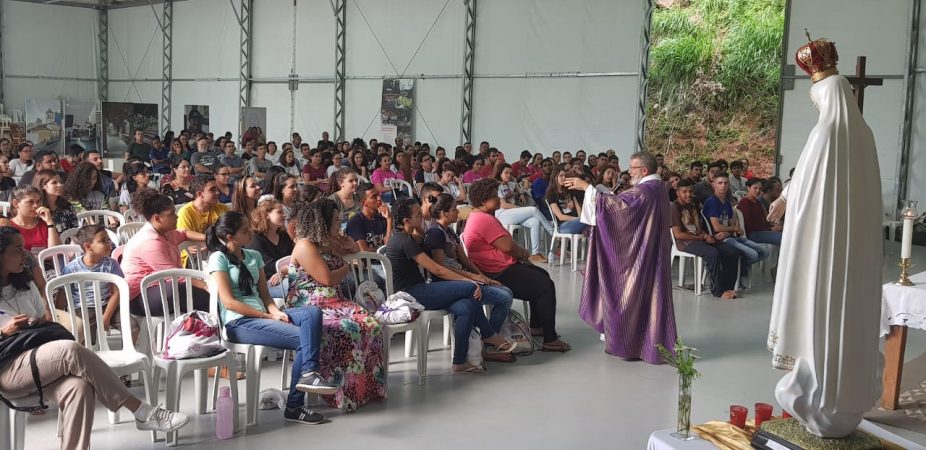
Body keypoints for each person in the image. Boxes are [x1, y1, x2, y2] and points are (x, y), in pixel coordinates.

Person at [766, 39, 882, 436]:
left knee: (819, 316)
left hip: (824, 249)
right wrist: (786, 195)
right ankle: (844, 400)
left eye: (816, 101)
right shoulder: (863, 136)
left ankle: (818, 397)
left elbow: (806, 188)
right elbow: (810, 183)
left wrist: (784, 201)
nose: (816, 108)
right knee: (846, 321)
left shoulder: (824, 134)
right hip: (856, 255)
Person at [0, 228, 189, 450]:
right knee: (70, 349)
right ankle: (141, 411)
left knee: (79, 387)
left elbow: (43, 321)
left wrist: (34, 323)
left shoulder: (25, 285)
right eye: (18, 249)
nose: (26, 255)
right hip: (7, 369)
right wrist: (4, 331)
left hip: (39, 361)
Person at [207, 212, 338, 425]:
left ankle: (309, 372)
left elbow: (265, 295)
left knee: (312, 312)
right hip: (239, 322)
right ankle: (295, 405)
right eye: (245, 231)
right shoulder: (218, 258)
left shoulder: (252, 256)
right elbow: (229, 302)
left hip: (263, 314)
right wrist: (267, 315)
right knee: (303, 339)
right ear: (230, 237)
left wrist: (274, 312)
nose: (250, 233)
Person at [564, 151, 675, 364]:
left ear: (644, 170)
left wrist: (587, 188)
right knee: (650, 297)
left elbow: (615, 209)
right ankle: (648, 343)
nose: (628, 171)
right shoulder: (659, 188)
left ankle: (630, 344)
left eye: (632, 168)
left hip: (641, 255)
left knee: (631, 292)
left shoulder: (644, 191)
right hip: (652, 251)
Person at [386, 198, 517, 374]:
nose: (423, 216)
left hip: (419, 290)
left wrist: (416, 225)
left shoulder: (407, 237)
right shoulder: (404, 241)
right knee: (471, 289)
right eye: (418, 215)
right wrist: (468, 281)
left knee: (467, 306)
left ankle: (459, 362)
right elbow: (436, 269)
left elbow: (420, 234)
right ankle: (490, 335)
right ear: (406, 221)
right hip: (411, 294)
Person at [285, 200, 385, 409]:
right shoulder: (304, 245)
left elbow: (351, 249)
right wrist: (347, 267)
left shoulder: (328, 242)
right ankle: (341, 391)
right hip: (312, 306)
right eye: (335, 221)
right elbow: (328, 279)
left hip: (335, 302)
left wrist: (346, 245)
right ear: (322, 223)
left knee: (372, 324)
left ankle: (364, 389)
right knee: (347, 329)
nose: (339, 225)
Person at [462, 179, 569, 352]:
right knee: (545, 286)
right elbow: (509, 247)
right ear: (483, 202)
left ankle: (536, 326)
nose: (498, 199)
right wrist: (526, 255)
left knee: (542, 276)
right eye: (494, 196)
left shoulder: (480, 216)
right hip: (497, 272)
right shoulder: (483, 219)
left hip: (498, 268)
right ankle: (550, 338)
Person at [424, 193, 515, 362]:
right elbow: (441, 268)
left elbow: (463, 258)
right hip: (449, 281)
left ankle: (488, 337)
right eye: (453, 210)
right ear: (443, 213)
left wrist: (481, 276)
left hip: (462, 276)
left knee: (506, 290)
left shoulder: (448, 230)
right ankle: (489, 341)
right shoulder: (435, 233)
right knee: (504, 297)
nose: (458, 213)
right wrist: (472, 277)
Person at [121, 188, 209, 316]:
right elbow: (173, 276)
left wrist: (210, 239)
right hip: (138, 297)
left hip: (158, 287)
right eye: (172, 213)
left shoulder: (165, 232)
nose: (177, 216)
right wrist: (206, 285)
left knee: (195, 292)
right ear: (157, 218)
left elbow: (184, 233)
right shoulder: (150, 241)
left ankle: (203, 326)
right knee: (181, 290)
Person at [61, 223, 139, 343]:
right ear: (88, 247)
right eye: (103, 241)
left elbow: (117, 292)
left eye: (108, 240)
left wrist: (106, 317)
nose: (109, 244)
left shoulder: (111, 264)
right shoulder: (71, 269)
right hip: (83, 308)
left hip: (107, 305)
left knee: (132, 328)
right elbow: (63, 293)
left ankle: (126, 353)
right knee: (86, 339)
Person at [670, 180, 739, 299]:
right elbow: (678, 235)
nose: (688, 194)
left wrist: (706, 236)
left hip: (699, 237)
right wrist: (701, 237)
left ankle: (727, 286)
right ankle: (718, 291)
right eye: (684, 192)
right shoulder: (674, 207)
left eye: (690, 191)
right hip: (685, 242)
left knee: (732, 251)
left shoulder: (693, 204)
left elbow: (698, 227)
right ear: (678, 193)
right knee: (712, 253)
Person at [702, 172, 767, 287]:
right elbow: (717, 227)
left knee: (763, 252)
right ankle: (737, 273)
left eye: (726, 183)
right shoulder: (711, 202)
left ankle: (737, 270)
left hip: (729, 236)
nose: (723, 186)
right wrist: (734, 228)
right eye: (720, 183)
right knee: (752, 254)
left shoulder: (727, 203)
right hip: (719, 239)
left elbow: (734, 221)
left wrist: (731, 230)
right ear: (714, 185)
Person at [492, 171, 551, 263]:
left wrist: (516, 183)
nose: (509, 175)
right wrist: (521, 209)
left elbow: (519, 189)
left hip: (514, 214)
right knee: (533, 210)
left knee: (535, 221)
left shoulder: (511, 184)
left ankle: (535, 254)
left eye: (510, 173)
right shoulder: (497, 186)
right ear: (500, 174)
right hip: (503, 214)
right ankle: (552, 231)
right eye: (506, 173)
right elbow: (504, 205)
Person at [247, 199, 294, 299]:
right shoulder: (255, 239)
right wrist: (284, 270)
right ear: (266, 214)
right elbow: (267, 267)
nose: (284, 215)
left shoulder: (283, 235)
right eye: (279, 212)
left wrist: (283, 272)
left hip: (287, 274)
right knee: (296, 288)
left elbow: (293, 257)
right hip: (267, 283)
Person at [9, 185, 61, 253]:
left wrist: (50, 222)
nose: (36, 205)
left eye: (38, 201)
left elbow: (56, 252)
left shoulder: (45, 223)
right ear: (15, 203)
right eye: (30, 202)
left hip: (46, 263)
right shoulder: (9, 226)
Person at [737, 178, 781, 246]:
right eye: (755, 188)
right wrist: (770, 229)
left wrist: (772, 226)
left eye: (760, 188)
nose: (758, 191)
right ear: (748, 188)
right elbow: (749, 225)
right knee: (781, 238)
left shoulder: (757, 202)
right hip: (752, 233)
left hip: (762, 230)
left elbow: (763, 219)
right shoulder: (744, 203)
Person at [32, 169, 78, 234]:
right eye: (54, 182)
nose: (60, 185)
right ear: (42, 186)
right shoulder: (37, 208)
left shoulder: (67, 206)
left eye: (60, 182)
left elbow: (75, 231)